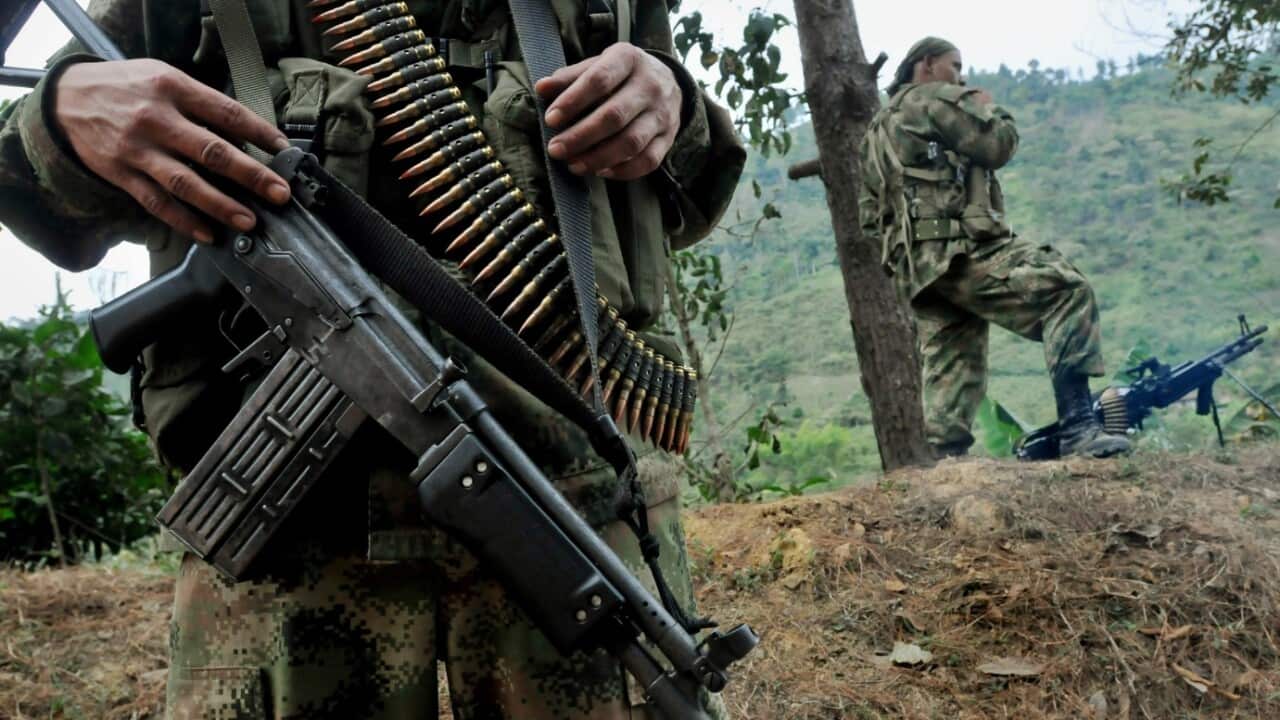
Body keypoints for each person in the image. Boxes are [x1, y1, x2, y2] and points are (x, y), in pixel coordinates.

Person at [0, 1, 745, 717]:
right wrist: (62, 117)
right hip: (287, 542)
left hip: (569, 510)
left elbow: (683, 188)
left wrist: (666, 100)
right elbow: (26, 176)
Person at [859, 36, 1130, 460]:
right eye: (954, 65)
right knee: (1067, 290)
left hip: (920, 270)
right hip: (958, 252)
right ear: (927, 65)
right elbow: (996, 145)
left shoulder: (876, 130)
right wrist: (991, 107)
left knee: (953, 355)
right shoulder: (932, 99)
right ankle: (1079, 428)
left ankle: (947, 464)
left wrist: (908, 256)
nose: (960, 75)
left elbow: (869, 215)